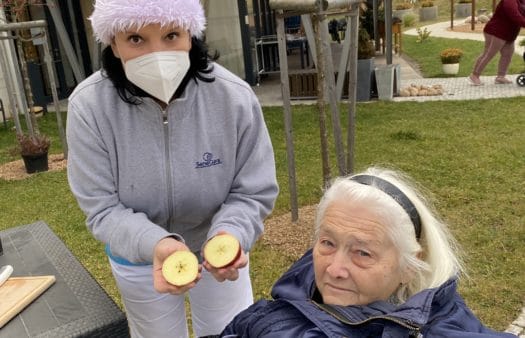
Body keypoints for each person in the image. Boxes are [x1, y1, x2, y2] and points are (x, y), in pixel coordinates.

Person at [66, 0, 279, 337]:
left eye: (171, 35)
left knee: (231, 332)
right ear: (114, 44)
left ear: (190, 35)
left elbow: (253, 190)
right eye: (136, 38)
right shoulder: (89, 107)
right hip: (137, 256)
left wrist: (231, 233)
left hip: (219, 251)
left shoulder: (234, 97)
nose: (157, 53)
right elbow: (101, 207)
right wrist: (156, 244)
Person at [221, 167, 515, 337]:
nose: (334, 269)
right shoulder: (285, 301)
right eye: (327, 243)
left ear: (411, 264)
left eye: (362, 253)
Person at [469, 0, 525, 85]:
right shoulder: (509, 1)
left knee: (508, 54)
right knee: (489, 53)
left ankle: (500, 77)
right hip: (497, 31)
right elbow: (515, 16)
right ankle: (475, 75)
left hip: (509, 33)